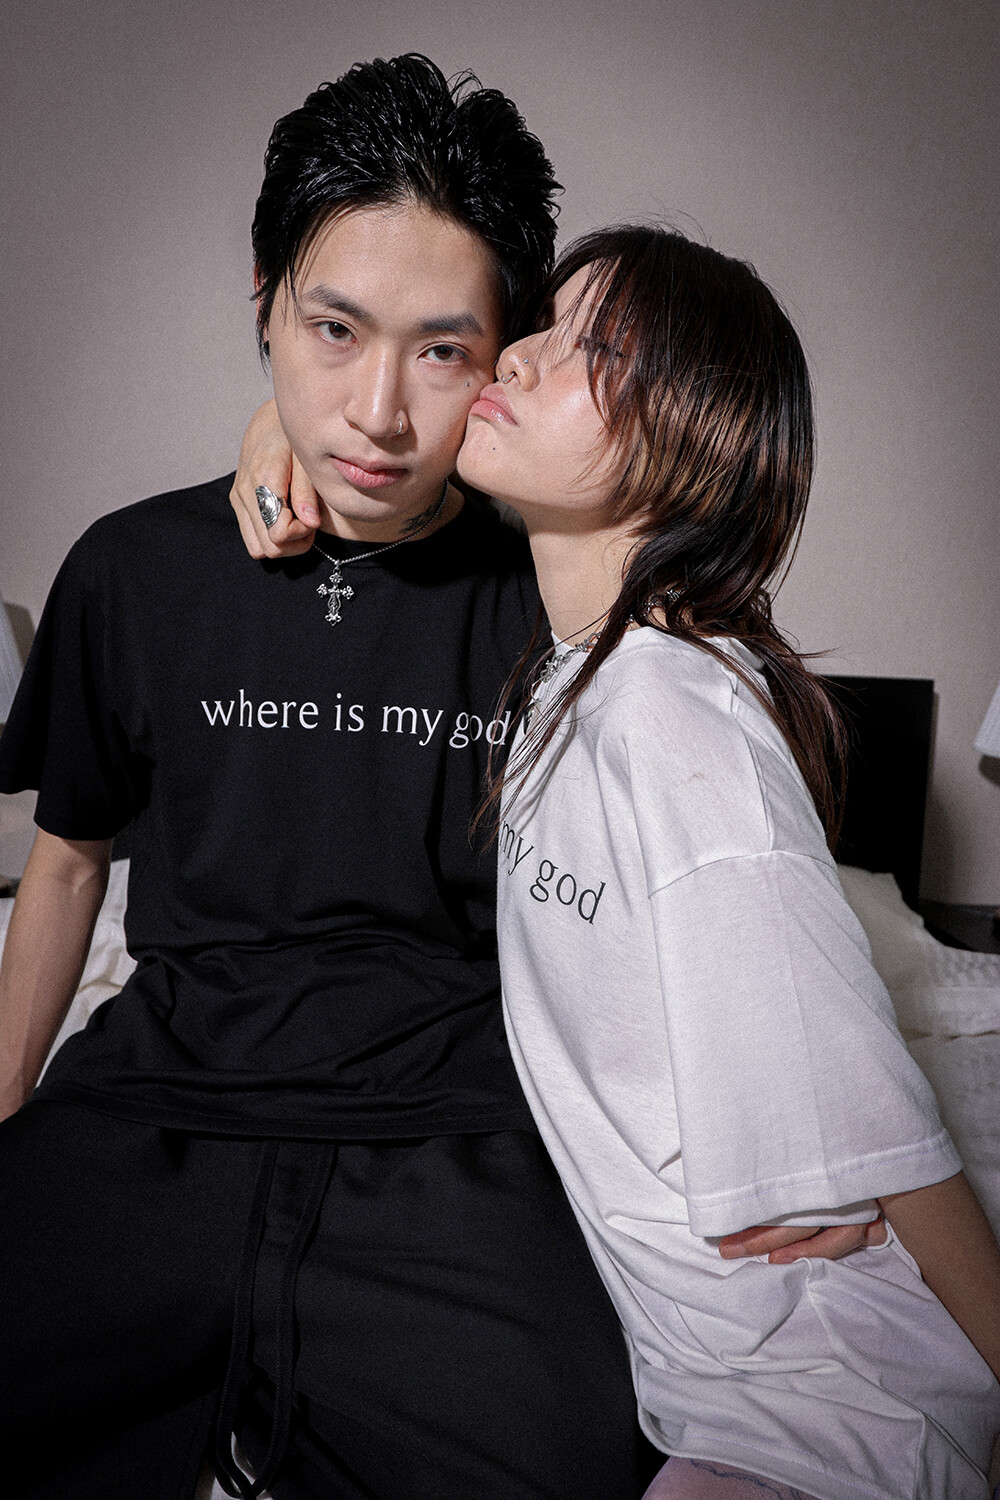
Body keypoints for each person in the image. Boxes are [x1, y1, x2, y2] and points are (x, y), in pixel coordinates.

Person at [0, 55, 884, 1500]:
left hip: (461, 1142)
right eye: (331, 330)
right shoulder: (132, 568)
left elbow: (731, 882)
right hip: (156, 1104)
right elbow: (68, 861)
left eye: (440, 352)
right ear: (264, 300)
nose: (374, 413)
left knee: (579, 1462)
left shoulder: (580, 613)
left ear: (506, 359)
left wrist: (811, 1133)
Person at [448, 223, 1000, 1499]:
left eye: (593, 349)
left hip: (824, 1394)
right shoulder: (567, 680)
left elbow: (891, 1138)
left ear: (687, 439)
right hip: (717, 1374)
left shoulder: (671, 710)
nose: (518, 354)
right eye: (543, 323)